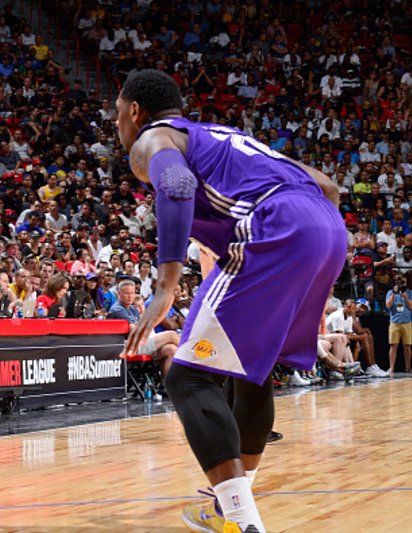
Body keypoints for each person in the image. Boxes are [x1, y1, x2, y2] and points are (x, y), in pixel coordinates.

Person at [118, 70, 346, 533]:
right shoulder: (224, 135)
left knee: (187, 378)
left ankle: (242, 523)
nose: (117, 123)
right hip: (326, 229)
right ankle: (226, 511)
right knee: (251, 374)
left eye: (117, 114)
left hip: (271, 228)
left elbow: (177, 185)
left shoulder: (152, 140)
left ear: (135, 112)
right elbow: (327, 186)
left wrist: (166, 283)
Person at [386, 274, 412, 375]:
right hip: (394, 322)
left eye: (403, 283)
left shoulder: (409, 293)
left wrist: (405, 296)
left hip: (407, 322)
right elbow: (388, 305)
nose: (402, 285)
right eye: (400, 282)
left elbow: (411, 306)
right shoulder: (390, 293)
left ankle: (408, 367)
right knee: (393, 345)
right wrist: (393, 293)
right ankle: (391, 368)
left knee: (407, 346)